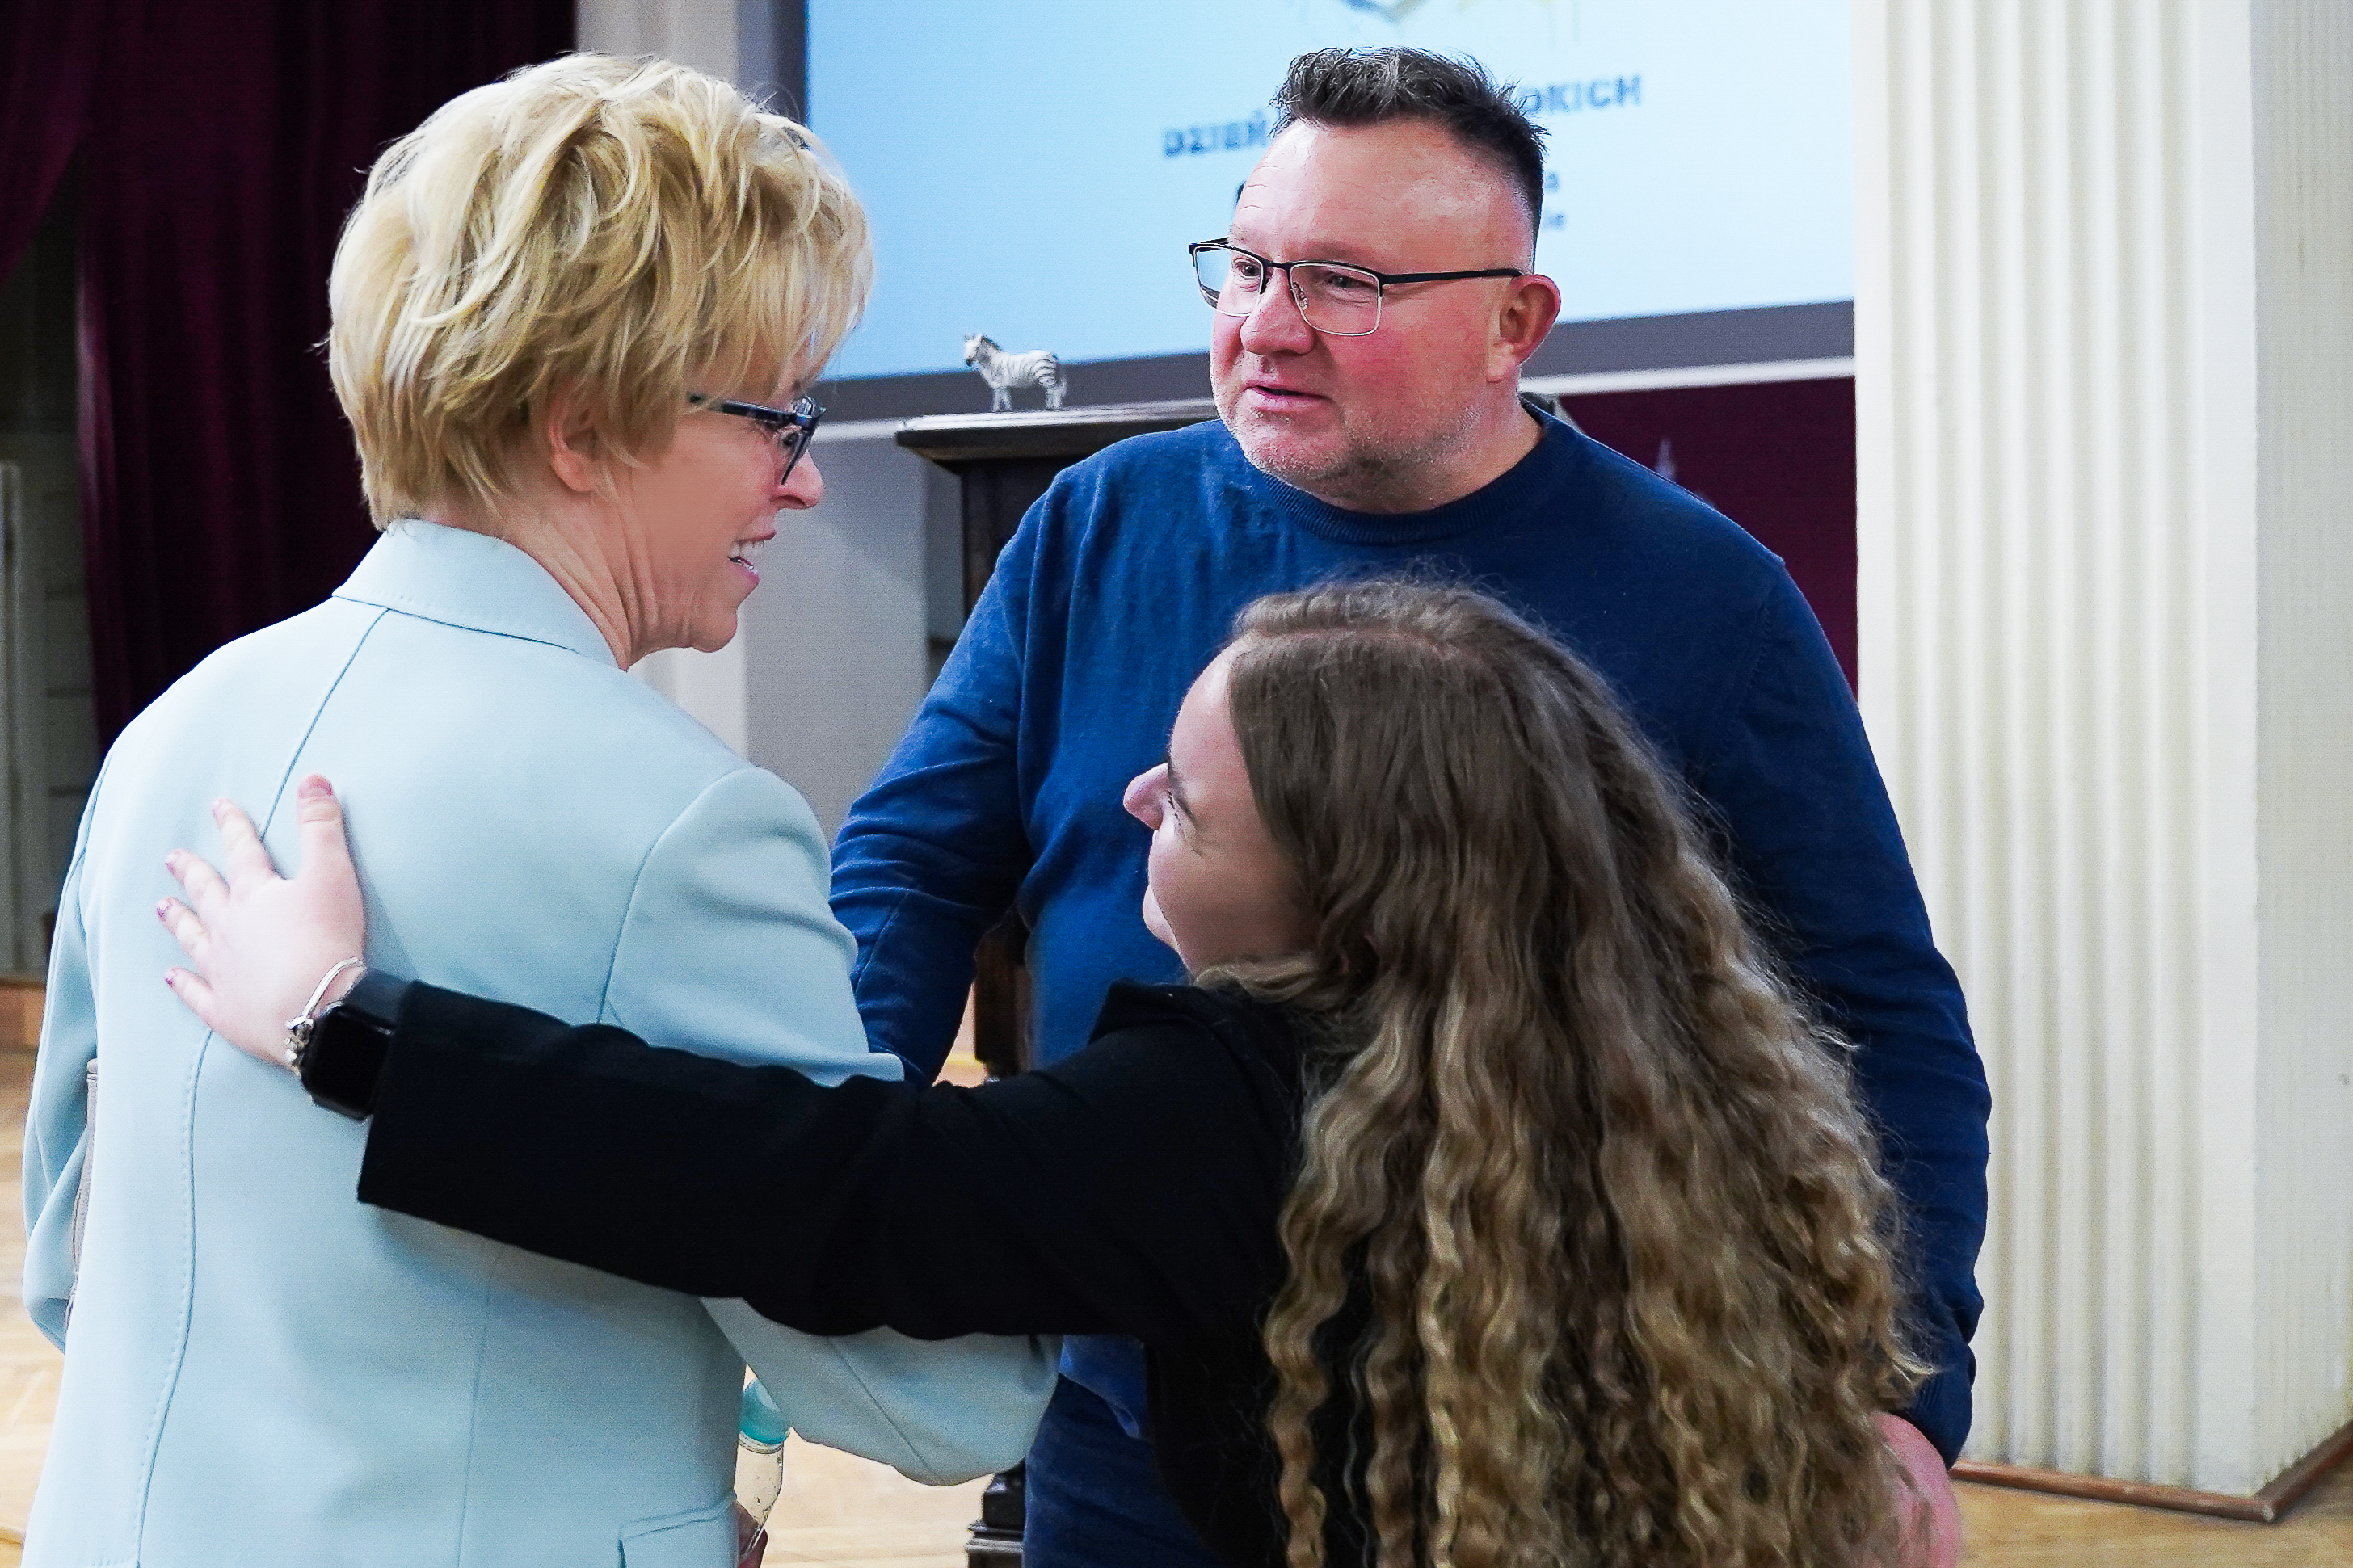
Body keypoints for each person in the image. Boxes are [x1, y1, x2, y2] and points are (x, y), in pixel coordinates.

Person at [825, 46, 1987, 1566]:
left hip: (1519, 1430)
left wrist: (1901, 1390)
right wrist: (838, 1119)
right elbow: (910, 866)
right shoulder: (1098, 524)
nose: (1266, 324)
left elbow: (1875, 1013)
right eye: (1249, 265)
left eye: (1345, 282)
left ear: (1516, 322)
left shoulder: (1706, 600)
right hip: (1123, 1419)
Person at [158, 579, 1938, 1568]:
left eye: (1193, 803)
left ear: (1348, 884)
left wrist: (344, 1022)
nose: (1133, 802)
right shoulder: (1656, 1053)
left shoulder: (1237, 1112)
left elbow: (823, 1182)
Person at [20, 54, 1049, 1568]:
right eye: (776, 418)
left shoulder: (173, 731)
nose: (805, 483)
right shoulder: (685, 823)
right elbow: (930, 1391)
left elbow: (70, 1264)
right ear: (581, 428)